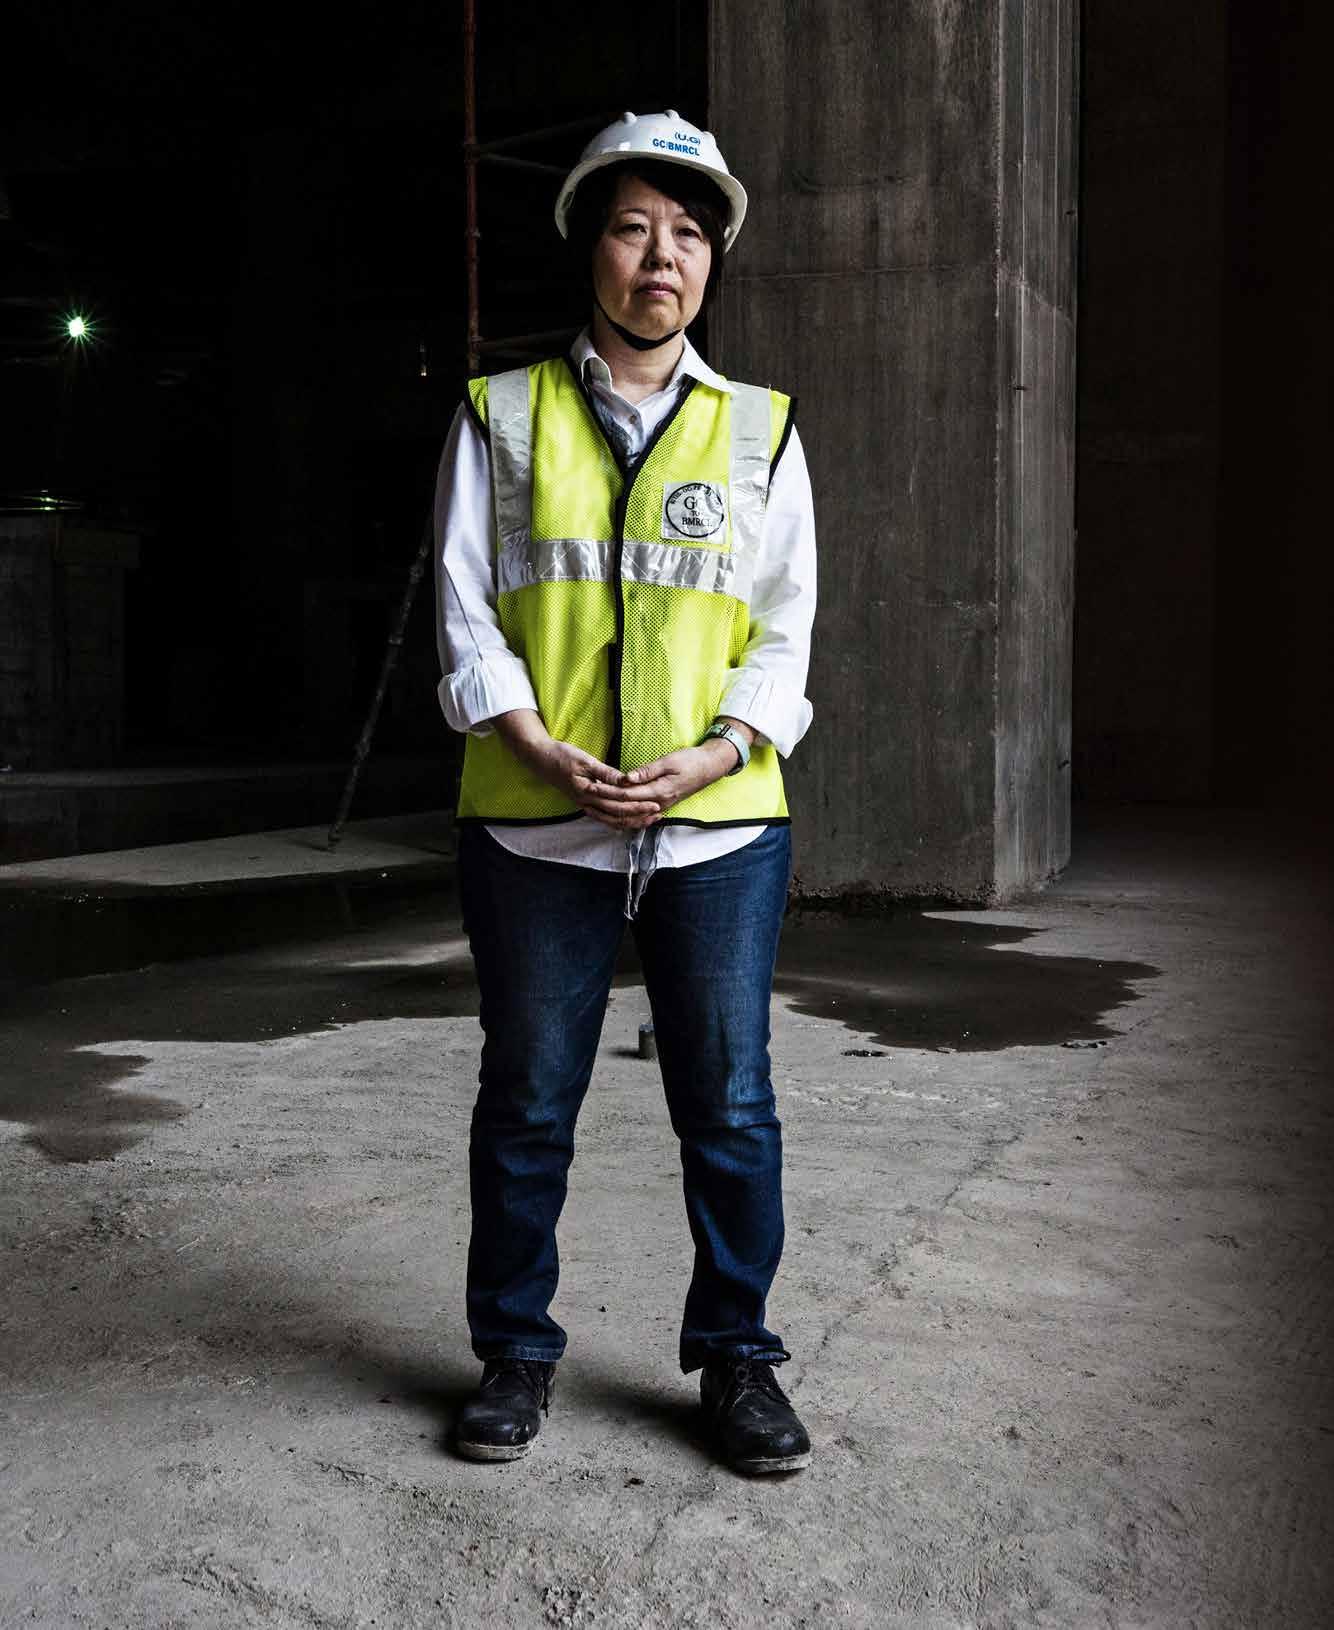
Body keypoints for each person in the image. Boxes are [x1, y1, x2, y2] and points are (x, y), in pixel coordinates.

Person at [433, 109, 817, 1475]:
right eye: (635, 227)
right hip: (538, 825)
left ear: (710, 264)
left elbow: (783, 633)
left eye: (690, 233)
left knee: (729, 1104)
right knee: (529, 1099)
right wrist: (539, 745)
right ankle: (513, 1352)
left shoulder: (760, 430)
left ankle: (738, 1359)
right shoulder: (500, 414)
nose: (664, 256)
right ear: (589, 246)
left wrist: (714, 753)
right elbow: (466, 608)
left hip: (716, 827)